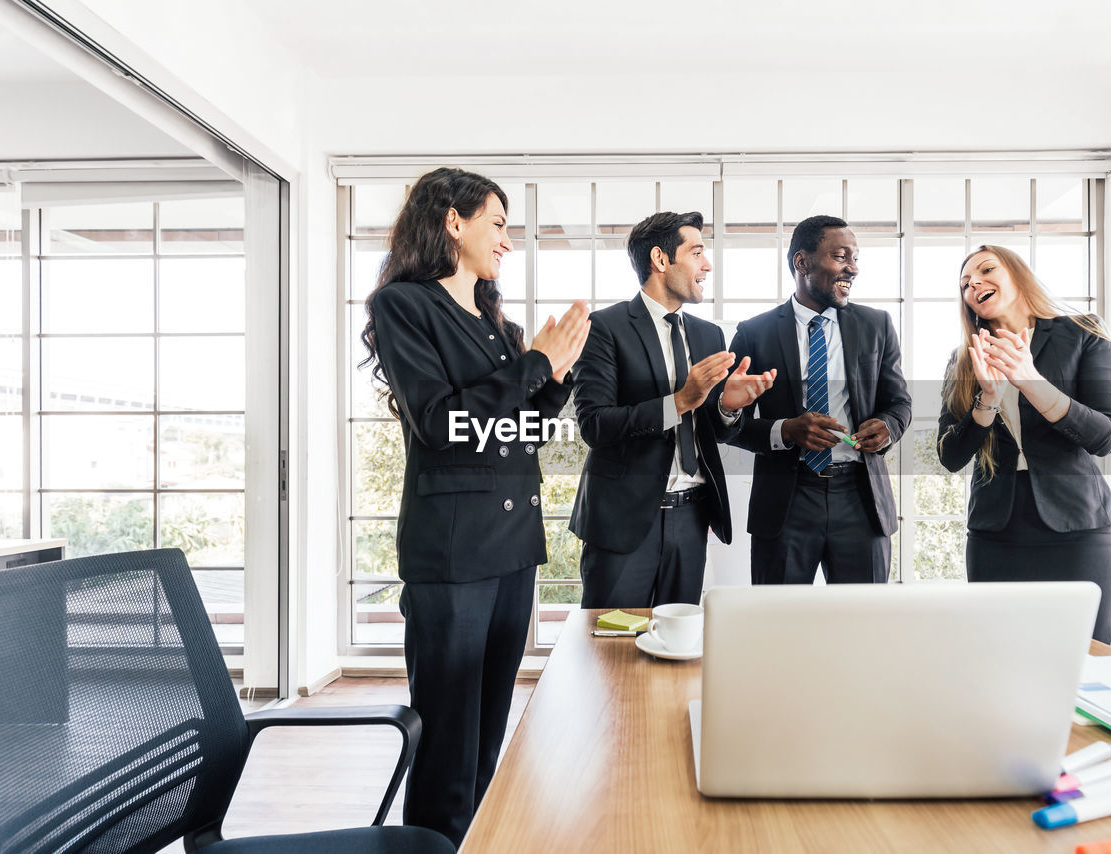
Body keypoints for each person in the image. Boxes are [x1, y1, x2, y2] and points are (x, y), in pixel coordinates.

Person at [360, 167, 590, 845]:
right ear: (453, 223)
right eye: (498, 223)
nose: (507, 242)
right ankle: (435, 842)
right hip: (454, 554)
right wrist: (532, 365)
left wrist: (557, 373)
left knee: (489, 733)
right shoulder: (403, 305)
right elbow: (442, 422)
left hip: (514, 549)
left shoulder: (497, 322)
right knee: (447, 741)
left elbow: (515, 432)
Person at [570, 211, 774, 607]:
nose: (707, 264)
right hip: (624, 523)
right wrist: (681, 400)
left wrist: (728, 407)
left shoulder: (708, 334)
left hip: (692, 518)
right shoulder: (605, 328)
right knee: (611, 650)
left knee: (677, 648)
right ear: (661, 260)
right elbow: (594, 424)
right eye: (696, 252)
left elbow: (715, 428)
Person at [937, 245, 1111, 642]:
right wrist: (986, 399)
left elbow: (1106, 436)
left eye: (987, 270)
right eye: (965, 283)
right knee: (999, 661)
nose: (975, 284)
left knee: (1086, 660)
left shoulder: (1083, 333)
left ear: (1018, 274)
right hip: (996, 535)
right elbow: (950, 456)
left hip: (1078, 529)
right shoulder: (964, 360)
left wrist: (1031, 381)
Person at [729, 215, 911, 585]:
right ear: (802, 262)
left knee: (863, 624)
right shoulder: (754, 333)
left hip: (861, 498)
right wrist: (786, 431)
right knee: (777, 623)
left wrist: (888, 427)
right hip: (786, 500)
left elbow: (900, 403)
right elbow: (727, 424)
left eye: (856, 258)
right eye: (841, 256)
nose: (853, 269)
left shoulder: (877, 325)